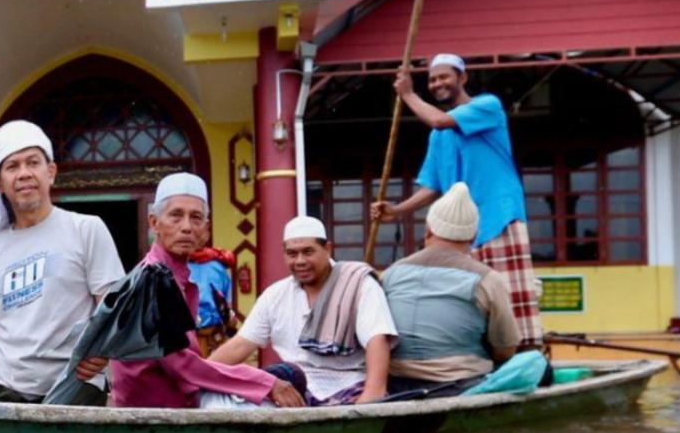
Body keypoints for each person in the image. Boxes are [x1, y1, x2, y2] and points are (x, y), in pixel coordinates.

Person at [371, 53, 542, 351]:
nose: (438, 84)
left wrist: (408, 94)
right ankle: (484, 357)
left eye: (444, 76)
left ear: (462, 78)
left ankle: (527, 355)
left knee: (510, 295)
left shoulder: (486, 106)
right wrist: (396, 210)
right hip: (459, 231)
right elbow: (433, 186)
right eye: (433, 80)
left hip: (496, 217)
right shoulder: (439, 137)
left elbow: (437, 119)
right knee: (468, 297)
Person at [0, 120, 126, 402]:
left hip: (74, 379)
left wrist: (102, 351)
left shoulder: (87, 229)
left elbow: (111, 308)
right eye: (12, 166)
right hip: (4, 383)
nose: (24, 173)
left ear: (51, 172)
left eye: (33, 162)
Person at [110, 174, 306, 409]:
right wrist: (264, 383)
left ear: (206, 228)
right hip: (166, 405)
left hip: (183, 389)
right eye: (175, 216)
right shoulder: (153, 280)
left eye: (195, 218)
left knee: (289, 375)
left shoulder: (178, 275)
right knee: (278, 392)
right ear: (154, 223)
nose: (186, 227)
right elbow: (183, 366)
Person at [212, 215, 395, 404]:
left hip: (349, 384)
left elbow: (377, 338)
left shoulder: (359, 284)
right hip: (294, 386)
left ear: (328, 249)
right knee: (258, 383)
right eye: (292, 254)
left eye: (308, 252)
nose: (300, 261)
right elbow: (241, 344)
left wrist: (373, 394)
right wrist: (200, 373)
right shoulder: (276, 294)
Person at [381, 182, 520, 392]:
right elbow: (505, 349)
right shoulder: (488, 279)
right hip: (459, 383)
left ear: (428, 231)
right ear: (473, 237)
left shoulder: (391, 273)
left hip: (394, 383)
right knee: (537, 364)